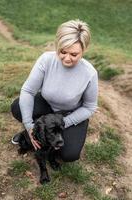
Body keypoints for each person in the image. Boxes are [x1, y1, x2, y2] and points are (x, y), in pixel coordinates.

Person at [11, 19, 98, 162]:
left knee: (69, 155)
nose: (67, 59)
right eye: (62, 52)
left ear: (84, 50)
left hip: (69, 114)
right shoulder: (46, 59)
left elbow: (90, 107)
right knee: (17, 107)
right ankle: (28, 134)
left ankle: (49, 134)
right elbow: (28, 91)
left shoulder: (90, 73)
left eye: (74, 54)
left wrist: (63, 123)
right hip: (47, 104)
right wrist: (29, 126)